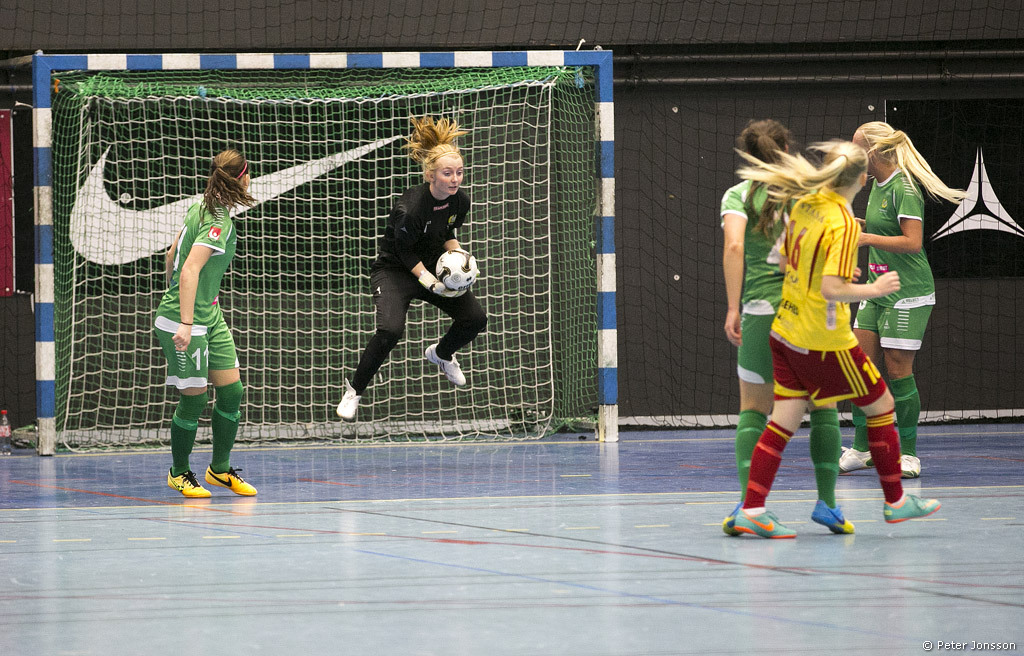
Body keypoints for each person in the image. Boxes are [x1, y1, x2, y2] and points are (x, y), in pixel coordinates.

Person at [728, 140, 941, 538]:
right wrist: (873, 289)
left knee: (782, 422)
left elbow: (787, 261)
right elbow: (830, 289)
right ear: (862, 179)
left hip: (785, 331)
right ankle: (895, 501)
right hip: (823, 339)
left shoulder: (806, 205)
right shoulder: (842, 222)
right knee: (883, 405)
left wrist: (828, 269)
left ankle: (752, 509)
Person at [720, 120, 852, 536]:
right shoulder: (810, 194)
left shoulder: (738, 195)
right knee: (824, 407)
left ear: (747, 156)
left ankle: (750, 505)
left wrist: (733, 307)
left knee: (753, 410)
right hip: (808, 313)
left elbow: (735, 245)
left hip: (761, 310)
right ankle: (828, 504)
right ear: (787, 149)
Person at [336, 116, 487, 421]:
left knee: (475, 319)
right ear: (431, 175)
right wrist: (429, 282)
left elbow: (447, 233)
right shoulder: (410, 208)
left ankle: (442, 354)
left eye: (459, 172)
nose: (455, 179)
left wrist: (460, 257)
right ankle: (355, 390)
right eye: (447, 173)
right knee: (390, 330)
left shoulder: (460, 201)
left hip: (433, 265)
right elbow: (404, 252)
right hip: (395, 270)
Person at [840, 122, 965, 479]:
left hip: (908, 292)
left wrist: (865, 239)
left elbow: (912, 242)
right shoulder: (876, 186)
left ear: (874, 150)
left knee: (897, 372)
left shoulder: (904, 187)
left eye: (856, 147)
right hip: (878, 289)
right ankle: (862, 449)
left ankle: (908, 454)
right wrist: (861, 227)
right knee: (860, 368)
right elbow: (886, 230)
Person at [154, 149, 258, 498]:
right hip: (186, 321)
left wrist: (188, 300)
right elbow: (188, 269)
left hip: (210, 315)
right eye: (249, 173)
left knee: (232, 392)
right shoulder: (218, 221)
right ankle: (179, 472)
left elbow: (171, 255)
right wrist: (184, 320)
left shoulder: (201, 206)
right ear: (242, 178)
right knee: (194, 400)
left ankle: (220, 469)